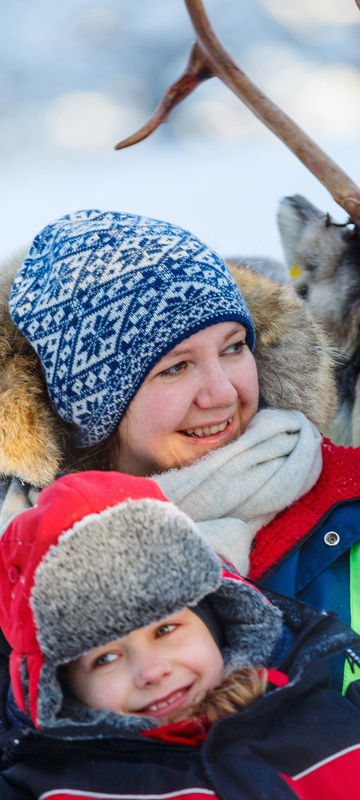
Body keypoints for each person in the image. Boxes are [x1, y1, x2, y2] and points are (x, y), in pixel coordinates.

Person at [1, 208, 360, 695]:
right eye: (174, 368)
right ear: (87, 408)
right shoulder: (22, 575)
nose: (222, 393)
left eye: (234, 348)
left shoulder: (346, 503)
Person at [0, 470, 360, 799]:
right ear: (62, 687)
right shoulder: (50, 788)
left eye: (165, 629)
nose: (152, 671)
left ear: (216, 622)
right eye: (105, 658)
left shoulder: (331, 720)